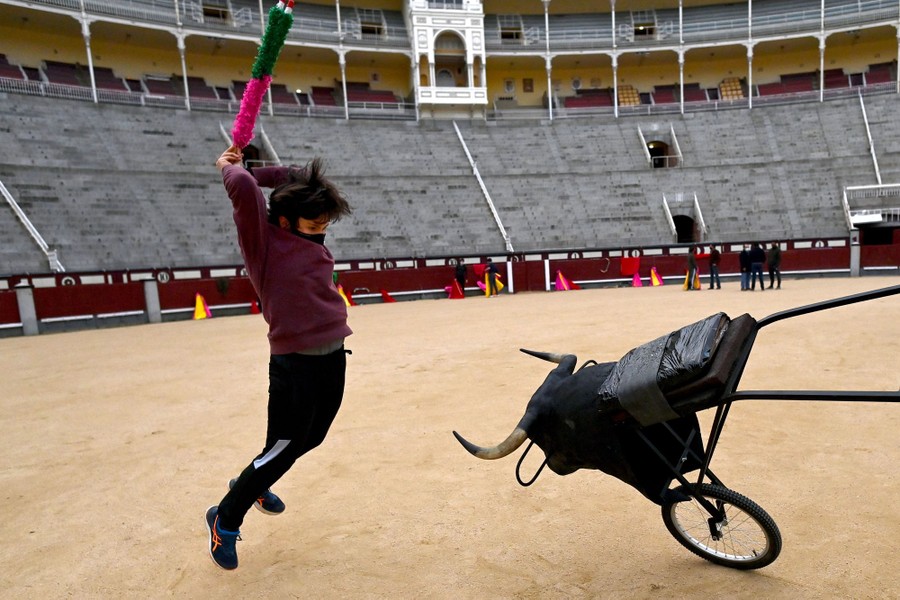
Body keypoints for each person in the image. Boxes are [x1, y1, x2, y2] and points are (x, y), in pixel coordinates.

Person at [206, 144, 353, 570]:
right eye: (314, 224)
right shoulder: (263, 243)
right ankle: (225, 520)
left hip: (332, 354)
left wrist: (255, 165)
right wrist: (230, 168)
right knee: (285, 448)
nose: (321, 230)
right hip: (296, 364)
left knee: (306, 439)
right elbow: (246, 190)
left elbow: (299, 173)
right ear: (285, 221)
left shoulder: (304, 228)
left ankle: (254, 483)